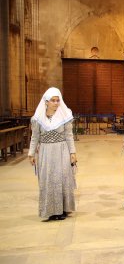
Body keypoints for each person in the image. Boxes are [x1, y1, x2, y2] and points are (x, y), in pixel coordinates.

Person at [28, 87, 77, 221]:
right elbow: (35, 137)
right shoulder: (38, 119)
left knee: (62, 179)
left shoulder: (65, 116)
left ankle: (62, 209)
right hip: (45, 153)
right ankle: (50, 210)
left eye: (57, 100)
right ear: (46, 102)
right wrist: (31, 153)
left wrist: (72, 152)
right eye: (53, 101)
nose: (56, 103)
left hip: (62, 151)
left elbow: (69, 135)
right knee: (48, 180)